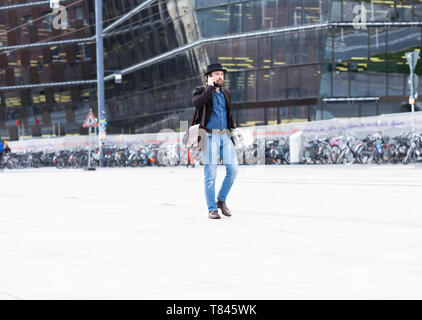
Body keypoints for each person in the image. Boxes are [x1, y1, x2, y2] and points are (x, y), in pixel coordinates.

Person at [192, 63, 239, 219]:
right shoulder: (200, 91)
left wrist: (233, 133)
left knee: (233, 170)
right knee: (210, 174)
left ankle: (221, 200)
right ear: (209, 77)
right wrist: (209, 88)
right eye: (216, 74)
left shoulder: (226, 93)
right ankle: (212, 209)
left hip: (225, 135)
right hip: (209, 136)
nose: (220, 76)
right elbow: (198, 104)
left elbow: (229, 115)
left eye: (221, 74)